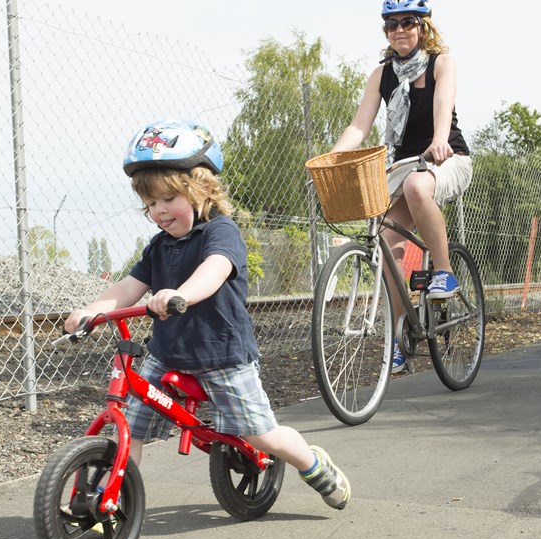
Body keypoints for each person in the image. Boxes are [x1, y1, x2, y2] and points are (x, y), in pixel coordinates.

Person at [65, 119, 351, 510]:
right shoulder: (158, 247)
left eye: (168, 199)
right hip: (168, 355)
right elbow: (126, 290)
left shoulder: (221, 232)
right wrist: (91, 310)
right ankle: (111, 502)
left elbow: (214, 271)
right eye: (150, 203)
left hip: (223, 357)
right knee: (128, 429)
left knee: (261, 434)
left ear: (201, 189)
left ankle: (314, 464)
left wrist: (178, 294)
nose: (159, 211)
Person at [331, 0, 473, 373]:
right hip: (406, 165)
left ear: (422, 26)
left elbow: (443, 106)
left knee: (416, 186)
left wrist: (440, 140)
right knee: (387, 241)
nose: (399, 30)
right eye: (391, 25)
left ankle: (444, 271)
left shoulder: (441, 62)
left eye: (407, 22)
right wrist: (333, 155)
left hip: (447, 157)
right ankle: (401, 336)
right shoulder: (382, 75)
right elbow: (360, 126)